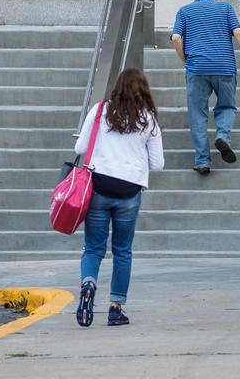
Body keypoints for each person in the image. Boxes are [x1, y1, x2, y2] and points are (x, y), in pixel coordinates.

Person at [74, 68, 164, 328]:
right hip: (129, 192)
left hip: (99, 188)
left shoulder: (100, 110)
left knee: (93, 247)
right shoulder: (149, 119)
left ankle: (88, 284)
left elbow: (79, 147)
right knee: (122, 250)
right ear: (144, 90)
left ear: (117, 87)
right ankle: (115, 308)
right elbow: (158, 163)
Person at [171, 0, 240, 174]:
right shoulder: (226, 8)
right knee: (227, 105)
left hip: (197, 68)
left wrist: (184, 59)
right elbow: (238, 33)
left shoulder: (184, 11)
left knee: (197, 114)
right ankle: (223, 136)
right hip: (224, 66)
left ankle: (202, 160)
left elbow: (176, 37)